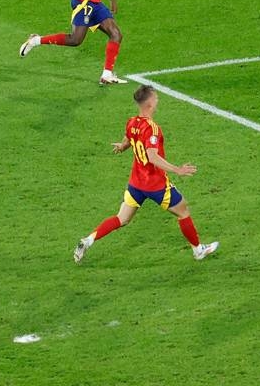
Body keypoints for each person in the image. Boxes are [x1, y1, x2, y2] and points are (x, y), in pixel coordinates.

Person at [73, 85, 219, 264]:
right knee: (183, 211)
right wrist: (177, 169)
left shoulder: (132, 122)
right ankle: (198, 250)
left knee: (122, 218)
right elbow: (152, 157)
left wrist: (122, 146)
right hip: (155, 184)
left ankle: (88, 240)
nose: (158, 100)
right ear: (149, 103)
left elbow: (129, 139)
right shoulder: (152, 128)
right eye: (155, 97)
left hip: (136, 184)